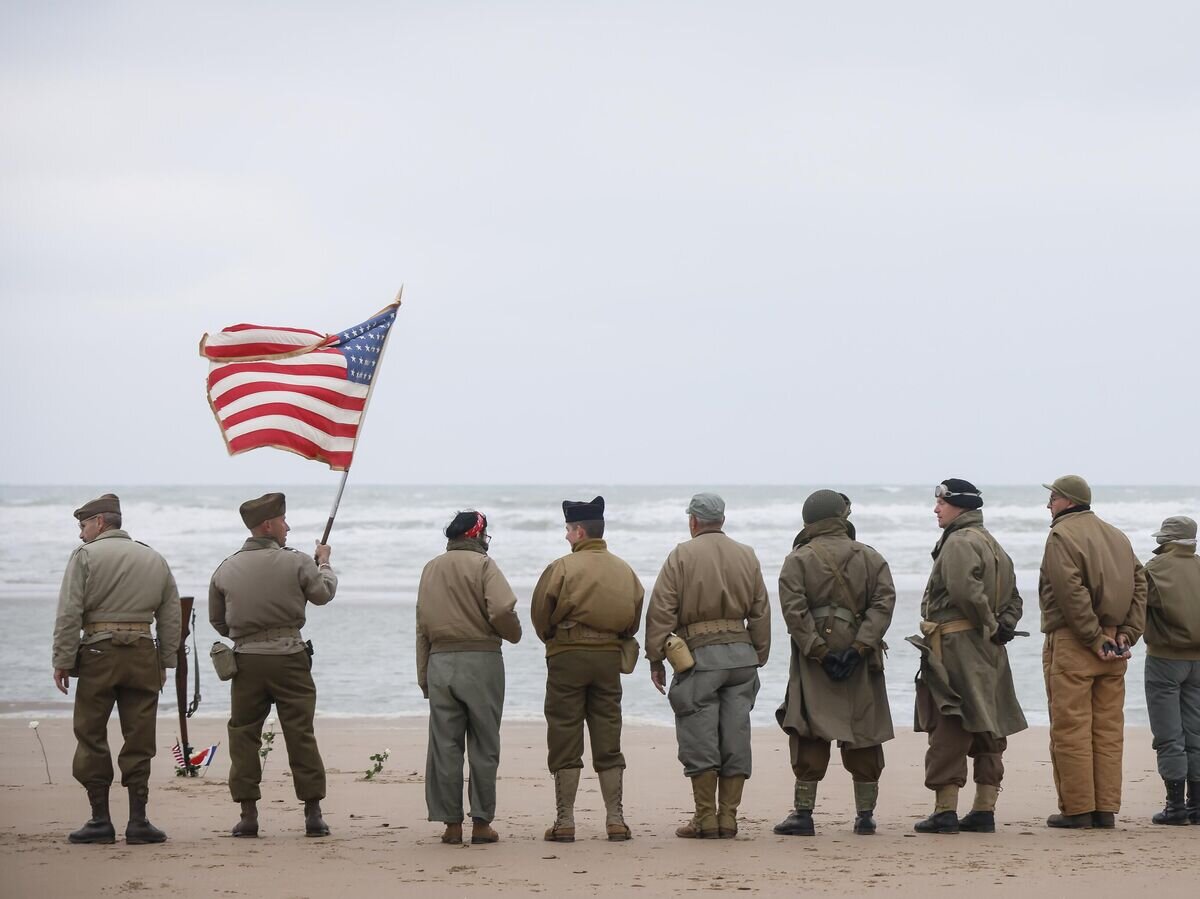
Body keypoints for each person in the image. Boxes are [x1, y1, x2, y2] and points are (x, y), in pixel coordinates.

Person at [51, 493, 181, 845]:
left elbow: (69, 613)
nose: (81, 535)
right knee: (140, 738)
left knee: (91, 734)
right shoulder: (154, 558)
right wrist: (166, 661)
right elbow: (171, 615)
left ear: (100, 523)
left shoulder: (85, 556)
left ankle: (100, 821)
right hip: (142, 652)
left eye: (83, 526)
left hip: (98, 652)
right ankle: (139, 821)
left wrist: (62, 659)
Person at [208, 492, 337, 838]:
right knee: (300, 734)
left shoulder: (225, 568)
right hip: (290, 660)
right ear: (268, 525)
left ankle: (248, 814)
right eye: (283, 521)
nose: (287, 526)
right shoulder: (297, 562)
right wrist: (323, 563)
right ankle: (313, 814)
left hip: (247, 661)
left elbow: (218, 623)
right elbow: (323, 594)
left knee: (243, 735)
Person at [645, 493, 771, 839]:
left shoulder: (681, 556)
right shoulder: (746, 555)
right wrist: (759, 653)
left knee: (699, 736)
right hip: (742, 659)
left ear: (693, 521)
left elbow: (661, 611)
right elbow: (760, 610)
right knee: (735, 734)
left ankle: (705, 818)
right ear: (722, 521)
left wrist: (655, 657)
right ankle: (728, 817)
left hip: (700, 660)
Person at [773, 489, 896, 836]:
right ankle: (865, 816)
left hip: (815, 660)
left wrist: (820, 651)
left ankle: (803, 814)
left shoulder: (798, 559)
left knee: (810, 728)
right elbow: (883, 605)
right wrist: (859, 647)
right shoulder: (871, 558)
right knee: (863, 730)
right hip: (861, 657)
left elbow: (793, 612)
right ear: (841, 518)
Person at [909, 479, 1028, 834]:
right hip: (988, 649)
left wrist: (990, 624)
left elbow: (965, 591)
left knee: (950, 721)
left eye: (941, 502)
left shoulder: (959, 542)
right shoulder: (993, 544)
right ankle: (984, 809)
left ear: (958, 505)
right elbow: (1015, 598)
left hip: (957, 646)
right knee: (989, 724)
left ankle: (945, 810)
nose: (936, 509)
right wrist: (1002, 625)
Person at [532, 496, 644, 842]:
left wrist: (558, 638)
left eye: (568, 530)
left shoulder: (562, 568)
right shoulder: (624, 570)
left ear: (579, 531)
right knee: (608, 734)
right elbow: (633, 619)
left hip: (567, 656)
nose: (566, 536)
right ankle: (616, 819)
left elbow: (540, 616)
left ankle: (565, 821)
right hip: (609, 657)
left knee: (565, 734)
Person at [1039, 475, 1147, 828]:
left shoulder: (1061, 535)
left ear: (1068, 501)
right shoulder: (1117, 535)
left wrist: (1092, 637)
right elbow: (1141, 582)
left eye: (1053, 498)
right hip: (1115, 644)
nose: (1049, 504)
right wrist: (1128, 633)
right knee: (1107, 730)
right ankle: (1105, 810)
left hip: (1075, 642)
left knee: (1071, 728)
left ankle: (1078, 810)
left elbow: (1070, 592)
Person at [416, 510, 523, 845]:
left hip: (440, 662)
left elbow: (421, 627)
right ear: (477, 535)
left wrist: (424, 676)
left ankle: (451, 825)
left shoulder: (430, 568)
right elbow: (503, 609)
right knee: (484, 744)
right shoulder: (484, 566)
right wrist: (513, 634)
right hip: (481, 662)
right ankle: (480, 823)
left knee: (444, 746)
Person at [1141, 515, 1200, 825]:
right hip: (1199, 662)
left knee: (1169, 735)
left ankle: (1175, 807)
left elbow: (1135, 607)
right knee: (1196, 732)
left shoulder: (1154, 570)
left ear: (1166, 540)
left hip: (1165, 659)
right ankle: (1197, 806)